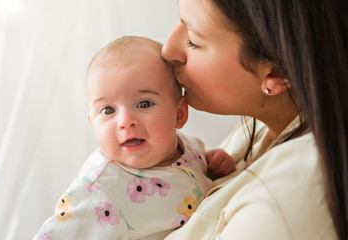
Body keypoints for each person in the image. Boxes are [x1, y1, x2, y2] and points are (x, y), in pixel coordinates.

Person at [161, 0, 347, 239]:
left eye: (193, 41)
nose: (167, 50)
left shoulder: (283, 202)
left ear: (277, 73)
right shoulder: (264, 126)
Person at [33, 36, 235, 240]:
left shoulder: (188, 145)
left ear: (179, 113)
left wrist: (212, 161)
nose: (125, 121)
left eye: (144, 104)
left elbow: (196, 168)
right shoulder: (99, 189)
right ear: (92, 122)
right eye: (108, 110)